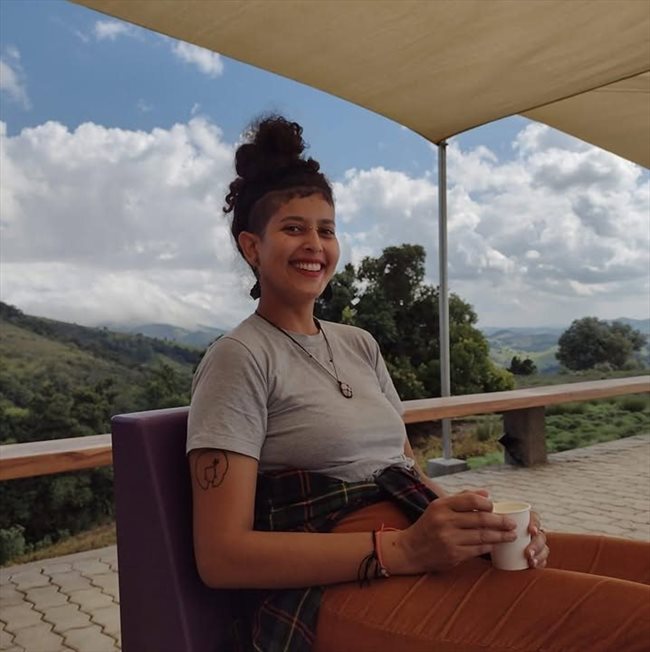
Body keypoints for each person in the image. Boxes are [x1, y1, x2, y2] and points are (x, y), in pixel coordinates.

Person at [187, 115, 650, 652]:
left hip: (415, 542)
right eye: (293, 228)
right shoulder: (239, 357)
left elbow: (405, 470)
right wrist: (403, 550)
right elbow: (221, 556)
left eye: (326, 229)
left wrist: (478, 526)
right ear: (252, 247)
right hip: (332, 586)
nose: (314, 244)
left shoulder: (359, 344)